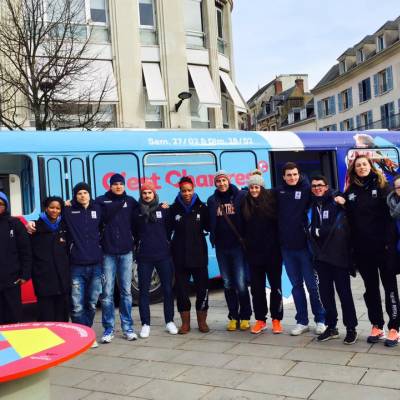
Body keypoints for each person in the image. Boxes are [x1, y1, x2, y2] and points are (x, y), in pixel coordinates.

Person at [346, 155, 400, 347]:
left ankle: (395, 327)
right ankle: (377, 325)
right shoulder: (351, 191)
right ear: (354, 170)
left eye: (364, 164)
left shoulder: (383, 186)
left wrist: (389, 244)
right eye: (358, 165)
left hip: (384, 249)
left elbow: (391, 218)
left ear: (371, 167)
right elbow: (349, 221)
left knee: (390, 288)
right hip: (363, 250)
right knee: (371, 290)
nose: (361, 167)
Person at [275, 162, 325, 336]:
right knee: (296, 286)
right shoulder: (278, 192)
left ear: (299, 174)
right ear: (283, 177)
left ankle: (320, 319)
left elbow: (323, 192)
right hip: (287, 249)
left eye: (295, 174)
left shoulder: (306, 190)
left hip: (305, 248)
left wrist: (337, 195)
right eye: (289, 175)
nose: (292, 177)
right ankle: (302, 321)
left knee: (312, 286)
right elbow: (258, 196)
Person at [308, 176, 358, 345]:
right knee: (326, 295)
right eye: (314, 186)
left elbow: (347, 218)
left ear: (327, 186)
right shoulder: (312, 204)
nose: (317, 188)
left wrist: (317, 231)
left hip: (338, 257)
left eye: (320, 185)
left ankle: (351, 328)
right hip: (321, 258)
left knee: (345, 294)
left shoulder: (336, 201)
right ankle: (332, 327)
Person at [96, 173, 139, 343]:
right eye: (115, 184)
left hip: (126, 252)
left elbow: (141, 216)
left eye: (121, 183)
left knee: (126, 292)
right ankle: (108, 329)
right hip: (107, 253)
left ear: (124, 185)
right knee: (106, 293)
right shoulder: (101, 201)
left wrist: (162, 206)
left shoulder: (131, 201)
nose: (118, 186)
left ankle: (128, 328)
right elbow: (87, 212)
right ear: (110, 185)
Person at [207, 170, 252, 331]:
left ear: (228, 180)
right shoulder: (212, 200)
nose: (222, 184)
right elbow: (208, 221)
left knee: (240, 283)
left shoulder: (240, 196)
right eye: (218, 181)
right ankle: (233, 317)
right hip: (221, 247)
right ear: (215, 183)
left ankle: (246, 316)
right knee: (227, 283)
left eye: (224, 180)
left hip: (237, 247)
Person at [133, 182, 177, 338]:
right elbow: (134, 232)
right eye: (144, 193)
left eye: (149, 193)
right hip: (144, 257)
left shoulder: (163, 210)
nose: (147, 195)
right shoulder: (136, 211)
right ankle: (145, 324)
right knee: (143, 291)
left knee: (167, 290)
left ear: (154, 193)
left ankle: (170, 321)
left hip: (163, 256)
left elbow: (170, 228)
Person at [241, 172, 283, 334]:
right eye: (251, 187)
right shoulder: (245, 203)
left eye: (256, 186)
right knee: (257, 289)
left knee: (275, 287)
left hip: (273, 253)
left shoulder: (272, 201)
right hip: (253, 255)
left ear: (262, 187)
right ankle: (260, 320)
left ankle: (276, 319)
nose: (253, 190)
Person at [64, 182, 104, 348]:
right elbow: (52, 213)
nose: (82, 195)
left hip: (96, 264)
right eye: (79, 193)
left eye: (85, 193)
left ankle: (85, 334)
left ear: (89, 194)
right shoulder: (68, 210)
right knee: (77, 305)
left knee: (92, 302)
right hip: (77, 265)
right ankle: (84, 337)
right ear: (75, 195)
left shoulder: (98, 209)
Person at [170, 176, 210, 334]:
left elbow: (210, 226)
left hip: (199, 255)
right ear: (180, 191)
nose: (186, 193)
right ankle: (185, 323)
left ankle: (202, 322)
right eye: (183, 191)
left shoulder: (203, 207)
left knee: (202, 290)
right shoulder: (173, 209)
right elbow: (167, 230)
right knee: (181, 291)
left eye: (189, 190)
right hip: (180, 256)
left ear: (193, 190)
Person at [31, 196, 70, 322]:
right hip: (44, 279)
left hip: (62, 279)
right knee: (46, 316)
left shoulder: (63, 226)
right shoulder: (34, 227)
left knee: (62, 316)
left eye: (58, 208)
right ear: (46, 208)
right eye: (51, 207)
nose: (55, 210)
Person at [0, 192, 31, 324]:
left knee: (13, 317)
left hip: (11, 279)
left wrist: (25, 274)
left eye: (0, 204)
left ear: (6, 205)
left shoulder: (14, 223)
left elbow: (25, 250)